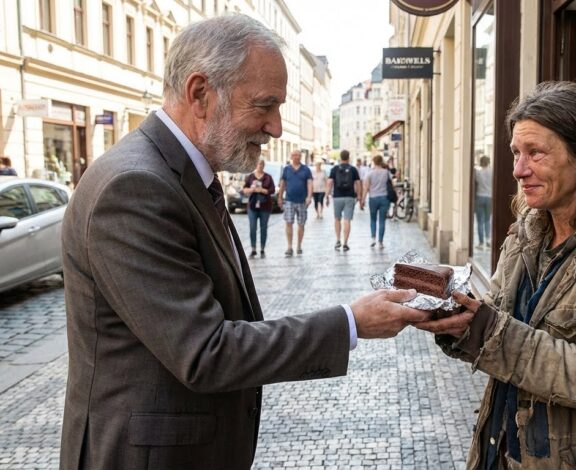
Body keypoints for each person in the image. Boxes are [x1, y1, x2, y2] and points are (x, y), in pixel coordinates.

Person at [59, 15, 431, 470]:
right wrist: (350, 322)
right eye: (264, 105)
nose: (276, 127)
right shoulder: (136, 185)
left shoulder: (179, 173)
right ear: (200, 93)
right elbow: (205, 351)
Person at [417, 81, 576, 469]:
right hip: (503, 451)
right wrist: (454, 314)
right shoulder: (528, 230)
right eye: (516, 153)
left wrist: (487, 329)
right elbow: (499, 315)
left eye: (536, 153)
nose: (519, 170)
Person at [277, 150, 312, 256]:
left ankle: (299, 245)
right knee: (289, 223)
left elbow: (309, 183)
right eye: (295, 155)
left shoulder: (306, 170)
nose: (297, 157)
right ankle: (289, 247)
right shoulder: (287, 169)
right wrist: (280, 197)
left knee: (301, 224)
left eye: (299, 155)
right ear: (291, 156)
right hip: (289, 200)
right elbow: (282, 184)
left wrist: (309, 196)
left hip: (302, 201)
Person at [326, 149, 360, 252]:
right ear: (348, 157)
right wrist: (359, 195)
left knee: (337, 219)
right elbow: (358, 183)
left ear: (340, 157)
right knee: (347, 220)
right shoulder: (353, 169)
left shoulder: (335, 169)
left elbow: (329, 182)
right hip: (350, 197)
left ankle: (337, 240)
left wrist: (327, 195)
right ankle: (345, 243)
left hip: (337, 197)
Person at [243, 158, 275, 258]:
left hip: (265, 206)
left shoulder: (268, 177)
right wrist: (252, 189)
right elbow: (244, 189)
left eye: (261, 164)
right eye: (258, 164)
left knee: (263, 227)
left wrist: (262, 190)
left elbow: (272, 190)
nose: (260, 166)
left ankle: (262, 248)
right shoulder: (250, 177)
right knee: (252, 228)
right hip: (252, 206)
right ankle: (253, 249)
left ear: (264, 165)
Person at [360, 155, 390, 249]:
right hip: (384, 198)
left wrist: (363, 200)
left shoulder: (370, 174)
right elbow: (391, 185)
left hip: (373, 198)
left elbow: (366, 188)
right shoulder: (386, 173)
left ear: (373, 162)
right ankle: (380, 242)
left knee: (373, 219)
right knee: (382, 220)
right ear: (381, 161)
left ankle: (373, 238)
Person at [474, 155, 492, 249]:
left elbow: (475, 182)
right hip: (489, 197)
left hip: (480, 197)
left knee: (480, 221)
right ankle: (488, 240)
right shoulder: (492, 171)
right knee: (487, 220)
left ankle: (481, 243)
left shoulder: (478, 172)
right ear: (488, 162)